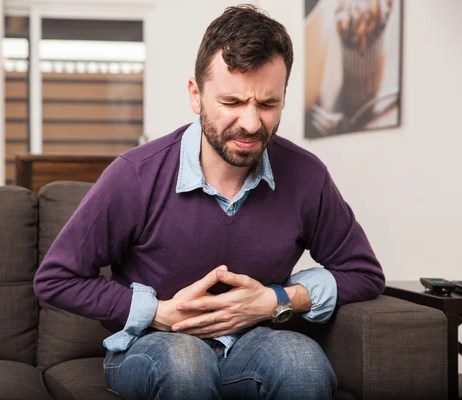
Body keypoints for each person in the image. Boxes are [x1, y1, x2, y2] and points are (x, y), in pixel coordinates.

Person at [34, 5, 385, 400]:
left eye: (268, 104)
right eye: (232, 102)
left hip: (253, 344)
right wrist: (158, 312)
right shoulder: (134, 174)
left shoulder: (306, 176)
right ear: (196, 95)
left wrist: (275, 300)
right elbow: (55, 279)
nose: (251, 124)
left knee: (303, 363)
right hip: (153, 346)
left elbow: (364, 273)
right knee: (185, 364)